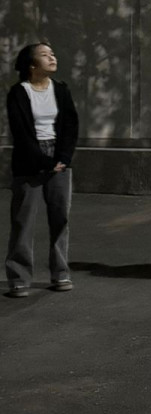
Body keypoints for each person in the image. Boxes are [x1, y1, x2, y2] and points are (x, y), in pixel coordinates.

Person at [5, 42, 79, 297]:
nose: (52, 57)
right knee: (23, 221)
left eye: (53, 53)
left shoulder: (61, 90)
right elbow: (21, 133)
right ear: (32, 65)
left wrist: (63, 158)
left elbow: (70, 126)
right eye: (45, 55)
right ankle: (19, 278)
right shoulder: (18, 92)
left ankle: (61, 273)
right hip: (29, 161)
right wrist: (45, 162)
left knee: (60, 218)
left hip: (59, 158)